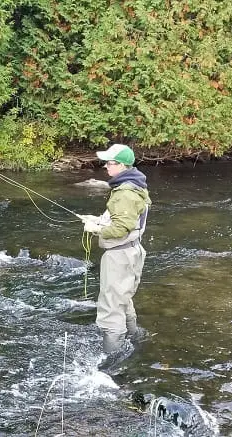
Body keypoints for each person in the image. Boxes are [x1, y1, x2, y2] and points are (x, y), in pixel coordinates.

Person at [79, 143, 152, 367]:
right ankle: (136, 339)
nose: (106, 167)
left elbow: (121, 229)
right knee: (123, 298)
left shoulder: (124, 193)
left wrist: (97, 229)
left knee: (111, 307)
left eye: (110, 163)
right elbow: (125, 220)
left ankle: (111, 364)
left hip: (120, 256)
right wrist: (98, 220)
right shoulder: (135, 184)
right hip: (131, 252)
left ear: (122, 165)